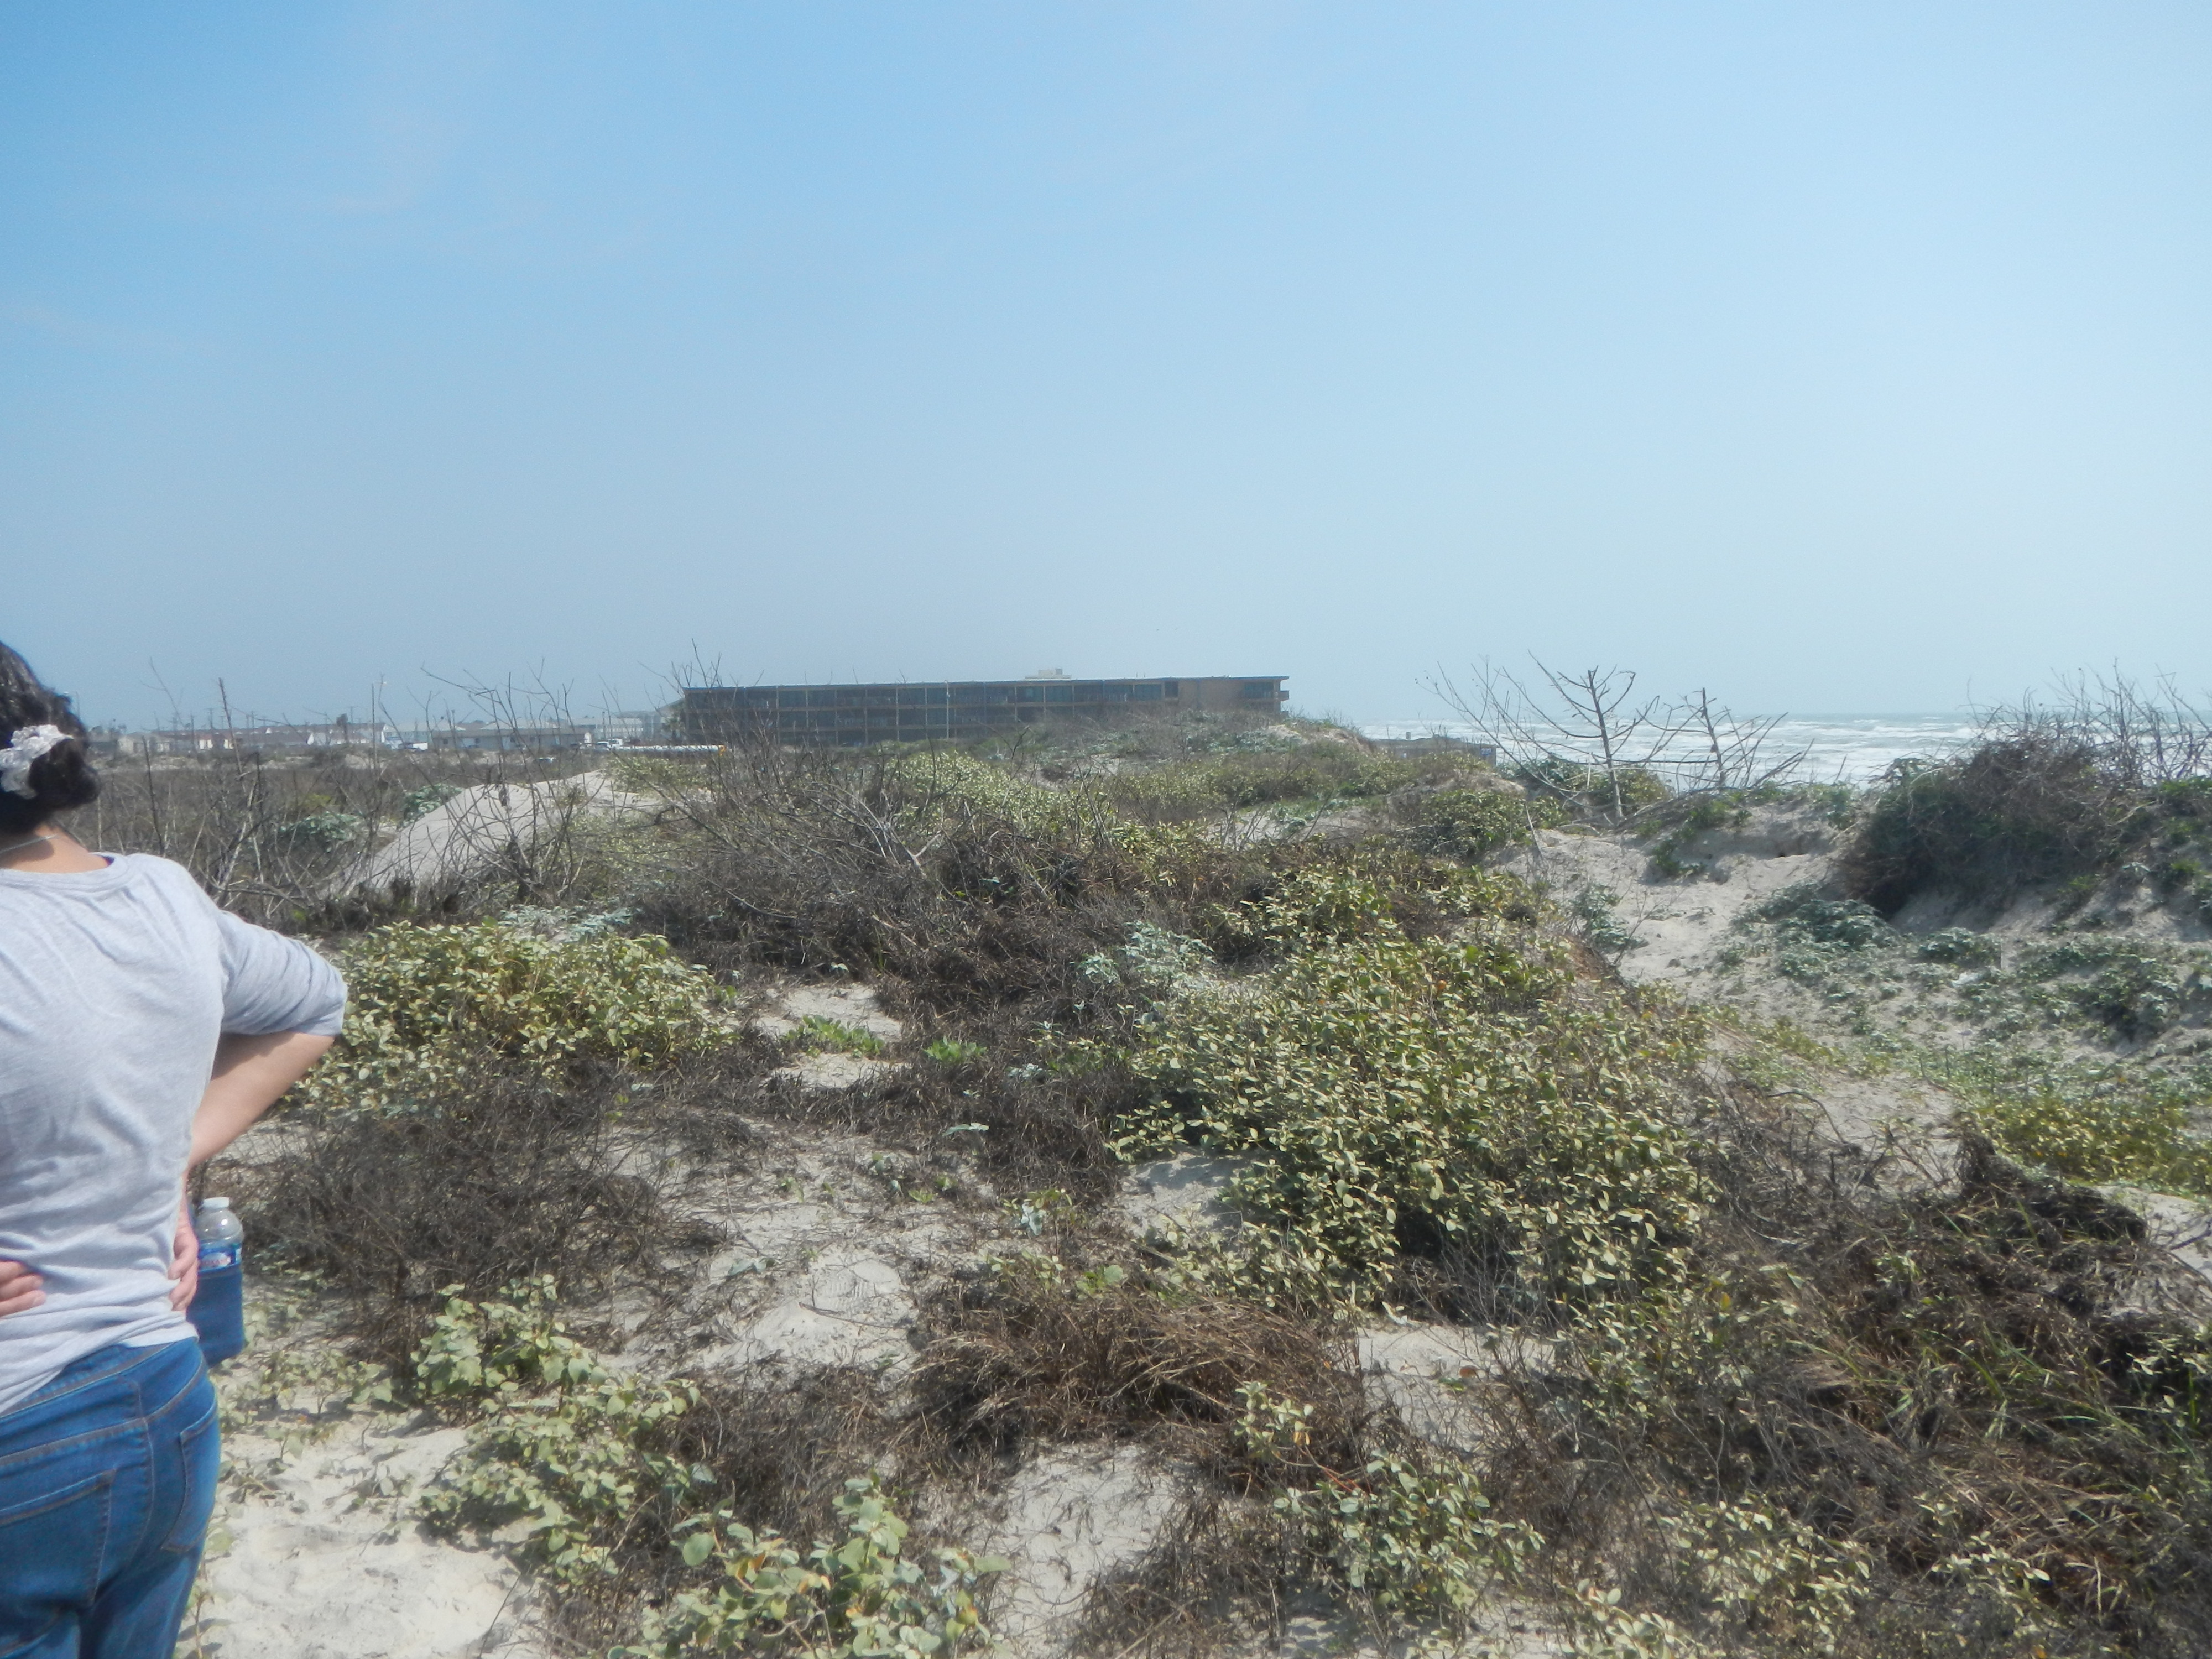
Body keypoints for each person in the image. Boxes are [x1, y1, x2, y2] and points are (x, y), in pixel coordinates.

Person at [0, 642, 346, 1658]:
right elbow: (314, 1001)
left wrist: (162, 1157)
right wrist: (168, 1158)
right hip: (165, 1401)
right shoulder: (160, 895)